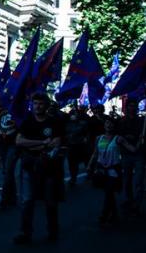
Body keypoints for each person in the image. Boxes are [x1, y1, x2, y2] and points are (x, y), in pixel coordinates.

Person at [13, 93, 65, 245]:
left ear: (46, 105)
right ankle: (25, 232)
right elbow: (19, 141)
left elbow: (56, 142)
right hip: (29, 164)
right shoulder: (27, 121)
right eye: (35, 103)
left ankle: (53, 230)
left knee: (50, 201)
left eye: (41, 103)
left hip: (48, 166)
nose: (38, 106)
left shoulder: (54, 122)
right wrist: (42, 143)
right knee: (27, 200)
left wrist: (33, 144)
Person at [87, 116, 124, 225]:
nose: (109, 125)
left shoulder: (118, 139)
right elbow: (95, 153)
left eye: (111, 123)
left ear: (114, 126)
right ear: (104, 125)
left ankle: (104, 215)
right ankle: (115, 214)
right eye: (107, 122)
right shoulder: (99, 138)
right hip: (101, 170)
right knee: (109, 193)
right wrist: (89, 165)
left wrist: (140, 141)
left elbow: (131, 149)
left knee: (109, 192)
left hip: (113, 171)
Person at [118, 99, 146, 216]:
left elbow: (145, 135)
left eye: (134, 106)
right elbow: (119, 137)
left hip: (139, 154)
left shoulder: (142, 121)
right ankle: (128, 200)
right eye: (130, 105)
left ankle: (137, 204)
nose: (132, 108)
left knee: (138, 180)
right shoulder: (121, 121)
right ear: (127, 107)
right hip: (126, 154)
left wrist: (143, 139)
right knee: (127, 179)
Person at [64, 105, 91, 187]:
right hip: (71, 146)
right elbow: (64, 134)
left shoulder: (83, 123)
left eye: (75, 114)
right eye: (72, 114)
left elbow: (88, 133)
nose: (73, 115)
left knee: (86, 160)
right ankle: (73, 178)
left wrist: (86, 139)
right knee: (72, 164)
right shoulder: (67, 124)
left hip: (81, 145)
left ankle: (89, 174)